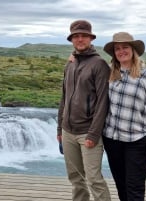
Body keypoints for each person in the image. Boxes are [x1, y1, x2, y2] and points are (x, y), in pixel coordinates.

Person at [102, 32, 146, 201]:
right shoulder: (110, 72)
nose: (121, 51)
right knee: (121, 185)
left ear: (133, 49)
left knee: (134, 187)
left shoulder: (145, 75)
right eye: (117, 49)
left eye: (125, 47)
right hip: (112, 139)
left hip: (137, 140)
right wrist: (74, 57)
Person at [57, 20, 111, 201]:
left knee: (94, 179)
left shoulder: (99, 64)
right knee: (76, 179)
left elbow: (103, 102)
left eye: (83, 36)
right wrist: (59, 129)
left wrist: (93, 134)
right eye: (76, 36)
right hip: (67, 132)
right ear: (72, 39)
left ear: (90, 38)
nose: (80, 39)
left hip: (87, 132)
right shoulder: (70, 64)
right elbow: (64, 98)